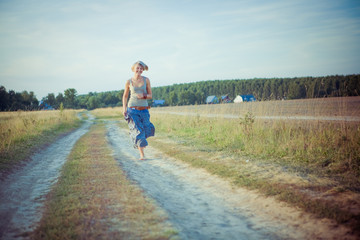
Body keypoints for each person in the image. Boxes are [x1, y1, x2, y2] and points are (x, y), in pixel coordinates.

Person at [122, 61, 155, 160]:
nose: (139, 70)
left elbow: (150, 95)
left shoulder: (146, 80)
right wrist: (124, 109)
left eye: (141, 69)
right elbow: (125, 96)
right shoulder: (129, 81)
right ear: (133, 68)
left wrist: (143, 96)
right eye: (138, 68)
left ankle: (139, 141)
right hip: (132, 110)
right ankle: (142, 154)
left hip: (144, 110)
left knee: (146, 129)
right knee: (138, 131)